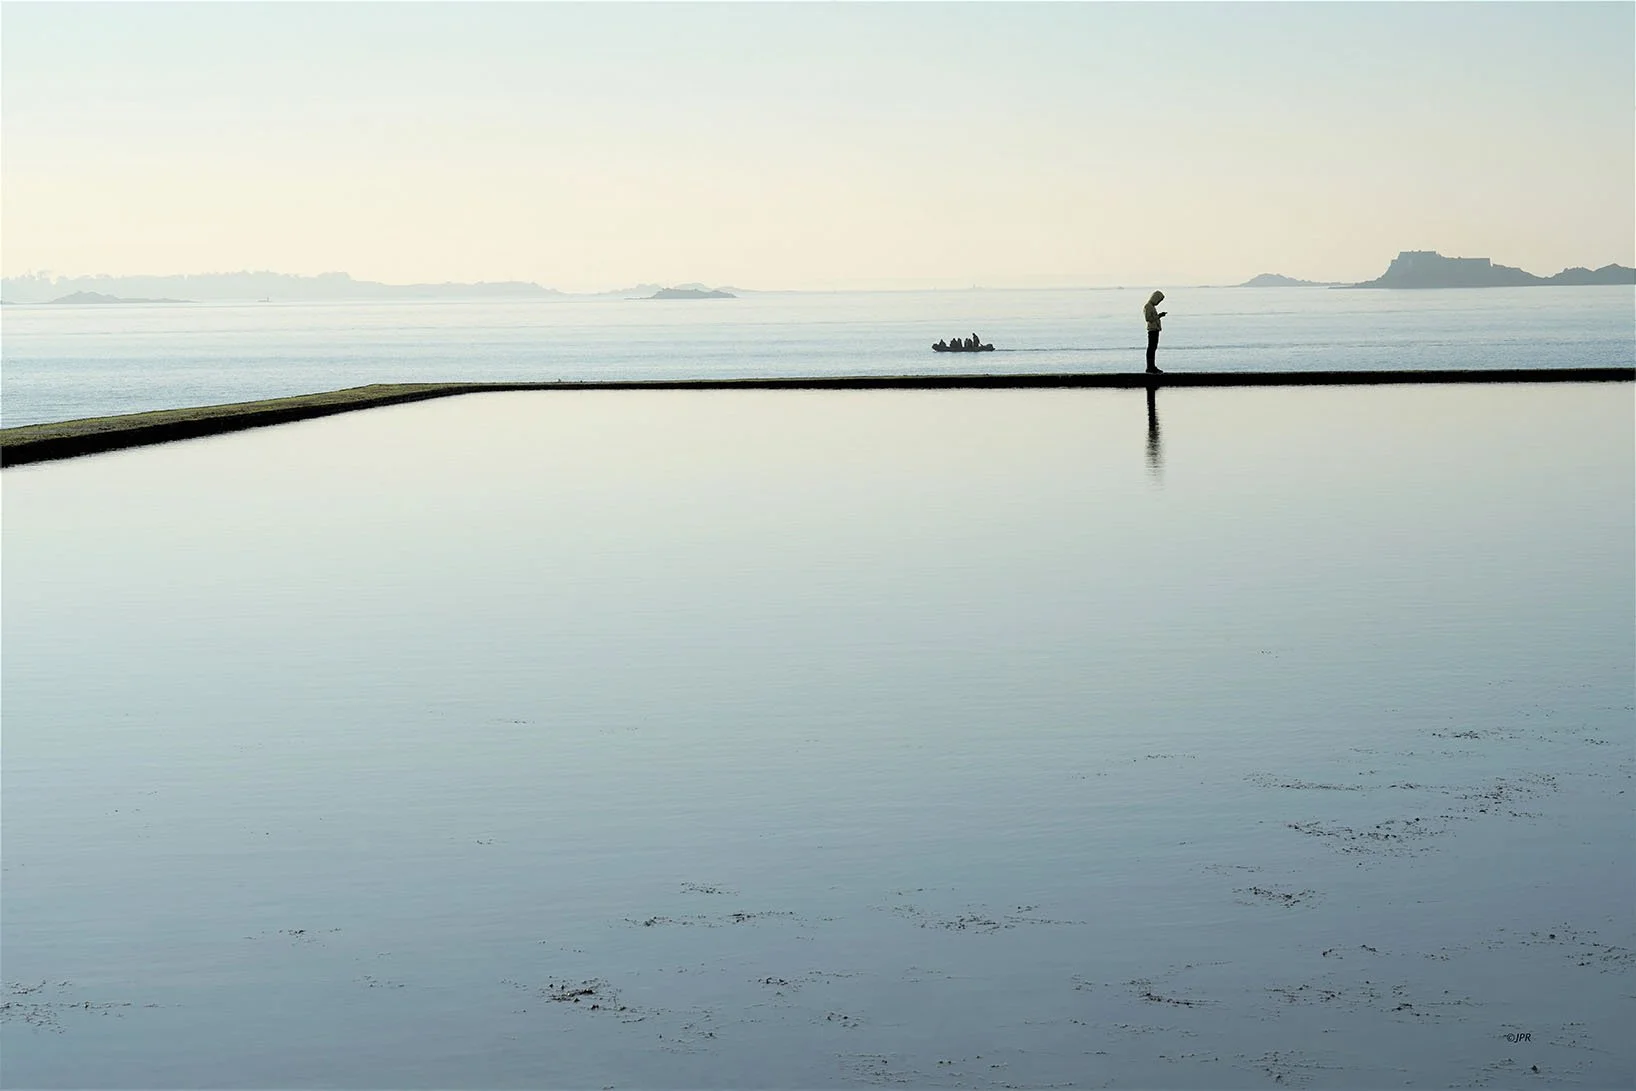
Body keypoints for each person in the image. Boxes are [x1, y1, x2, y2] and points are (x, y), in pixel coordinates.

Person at [1143, 291, 1167, 373]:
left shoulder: (1151, 306)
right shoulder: (1148, 306)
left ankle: (1152, 366)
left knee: (1153, 348)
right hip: (1152, 330)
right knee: (1151, 348)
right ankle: (1150, 367)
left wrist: (1159, 316)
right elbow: (1148, 318)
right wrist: (1159, 316)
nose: (1158, 302)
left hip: (1155, 330)